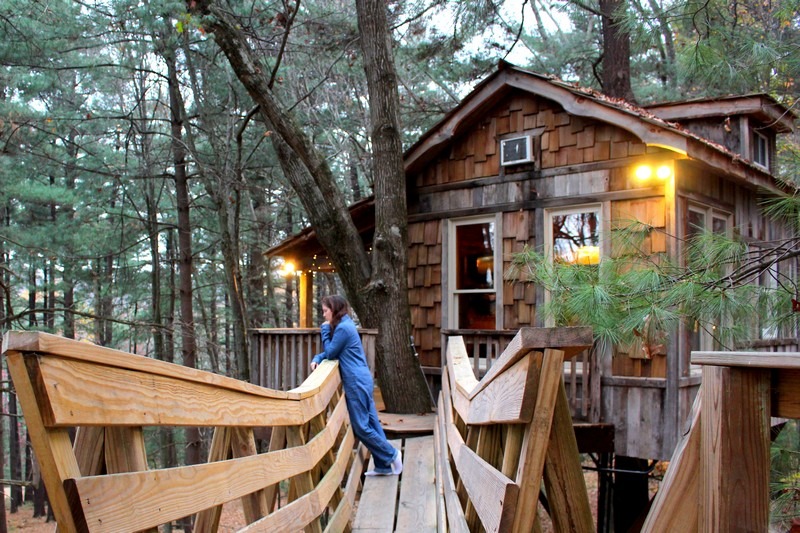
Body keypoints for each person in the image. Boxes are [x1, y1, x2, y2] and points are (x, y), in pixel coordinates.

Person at [310, 295, 402, 476]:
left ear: (334, 309)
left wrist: (325, 331)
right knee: (371, 423)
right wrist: (317, 358)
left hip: (355, 381)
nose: (324, 315)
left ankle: (391, 454)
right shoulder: (346, 325)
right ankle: (383, 466)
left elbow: (330, 351)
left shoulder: (343, 328)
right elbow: (333, 353)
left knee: (360, 426)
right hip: (362, 378)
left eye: (325, 311)